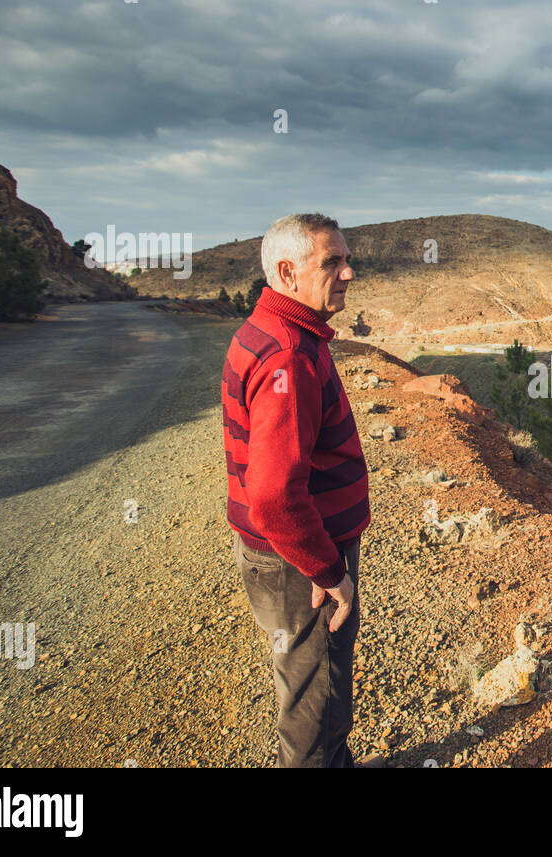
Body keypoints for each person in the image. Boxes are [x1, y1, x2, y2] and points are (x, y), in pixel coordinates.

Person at [222, 213, 370, 767]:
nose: (348, 272)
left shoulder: (268, 331)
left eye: (346, 259)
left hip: (284, 555)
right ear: (287, 272)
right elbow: (275, 495)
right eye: (332, 262)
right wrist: (328, 571)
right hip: (300, 561)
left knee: (318, 685)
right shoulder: (289, 354)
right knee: (315, 696)